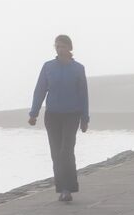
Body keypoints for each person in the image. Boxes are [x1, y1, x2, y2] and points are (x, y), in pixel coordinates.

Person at [28, 34, 89, 203]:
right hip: (52, 115)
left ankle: (69, 188)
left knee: (66, 151)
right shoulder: (48, 67)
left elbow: (83, 94)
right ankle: (62, 189)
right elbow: (40, 90)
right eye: (57, 46)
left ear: (70, 48)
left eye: (63, 46)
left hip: (72, 115)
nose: (60, 49)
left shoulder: (78, 68)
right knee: (56, 153)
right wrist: (34, 113)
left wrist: (85, 118)